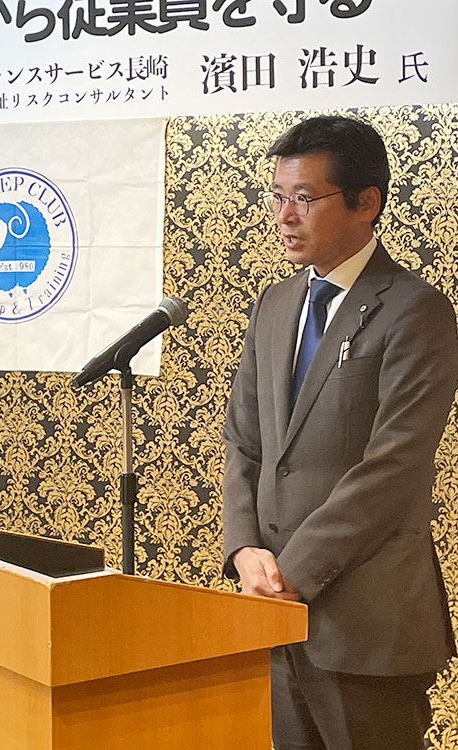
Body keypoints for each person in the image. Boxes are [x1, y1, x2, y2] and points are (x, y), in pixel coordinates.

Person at [222, 115, 458, 749]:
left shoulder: (415, 310)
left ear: (366, 202)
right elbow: (244, 441)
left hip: (367, 627)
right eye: (278, 196)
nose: (284, 216)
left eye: (305, 198)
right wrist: (244, 551)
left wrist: (290, 574)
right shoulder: (274, 305)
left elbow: (395, 464)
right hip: (274, 622)